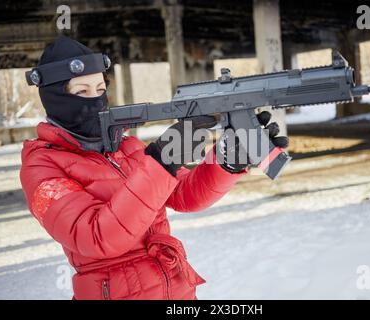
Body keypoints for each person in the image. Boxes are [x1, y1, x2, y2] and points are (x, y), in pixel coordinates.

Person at [19, 36, 288, 300]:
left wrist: (227, 161)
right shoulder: (41, 167)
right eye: (82, 92)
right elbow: (97, 237)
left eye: (101, 90)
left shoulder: (126, 146)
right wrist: (161, 162)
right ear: (55, 99)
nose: (96, 100)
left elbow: (184, 194)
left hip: (175, 289)